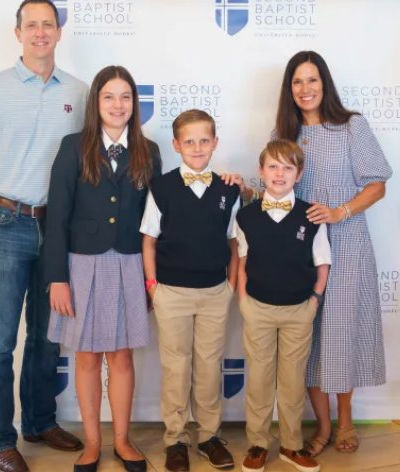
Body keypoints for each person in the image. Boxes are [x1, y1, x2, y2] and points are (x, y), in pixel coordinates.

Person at [0, 1, 87, 470]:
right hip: (3, 224)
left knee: (47, 336)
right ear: (17, 33)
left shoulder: (80, 91)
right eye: (31, 25)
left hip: (57, 228)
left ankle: (39, 421)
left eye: (47, 25)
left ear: (59, 32)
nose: (40, 32)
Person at [44, 65, 162, 472]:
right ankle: (92, 443)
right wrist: (57, 277)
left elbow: (157, 220)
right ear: (96, 103)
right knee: (89, 358)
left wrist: (152, 279)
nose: (118, 104)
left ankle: (123, 441)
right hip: (82, 266)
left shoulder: (150, 151)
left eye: (125, 96)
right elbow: (56, 217)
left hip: (130, 263)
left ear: (135, 103)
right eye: (109, 96)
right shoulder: (72, 146)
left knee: (122, 357)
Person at [275, 50, 392, 455]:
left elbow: (377, 186)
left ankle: (345, 421)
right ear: (288, 90)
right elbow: (275, 192)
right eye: (297, 82)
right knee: (304, 338)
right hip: (301, 249)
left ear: (324, 83)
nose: (305, 89)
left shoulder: (350, 127)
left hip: (348, 244)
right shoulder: (284, 138)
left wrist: (340, 211)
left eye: (312, 80)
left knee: (341, 334)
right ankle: (321, 426)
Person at [140, 109, 239, 472]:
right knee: (176, 368)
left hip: (215, 292)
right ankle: (175, 439)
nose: (197, 147)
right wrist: (152, 286)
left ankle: (209, 436)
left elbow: (233, 242)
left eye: (204, 140)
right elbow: (148, 240)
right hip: (171, 293)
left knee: (209, 368)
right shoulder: (162, 188)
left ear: (214, 144)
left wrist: (230, 285)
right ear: (177, 145)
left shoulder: (228, 189)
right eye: (189, 141)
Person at [234, 140, 330, 472]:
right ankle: (258, 444)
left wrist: (314, 300)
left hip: (299, 310)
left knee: (292, 381)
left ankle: (292, 445)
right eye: (273, 166)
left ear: (298, 174)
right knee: (259, 379)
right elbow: (241, 260)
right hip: (257, 308)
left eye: (287, 167)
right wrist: (243, 301)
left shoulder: (312, 215)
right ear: (261, 172)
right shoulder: (245, 216)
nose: (279, 173)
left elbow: (322, 263)